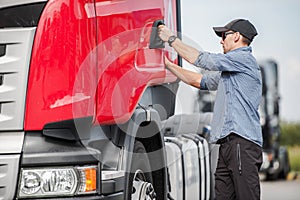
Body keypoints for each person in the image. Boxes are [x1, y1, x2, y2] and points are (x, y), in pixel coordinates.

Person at [158, 19, 263, 200]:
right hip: (227, 144)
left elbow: (202, 60)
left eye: (224, 35)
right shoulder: (230, 70)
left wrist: (171, 39)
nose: (221, 41)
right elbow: (199, 81)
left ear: (237, 36)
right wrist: (168, 65)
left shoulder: (243, 59)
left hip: (241, 143)